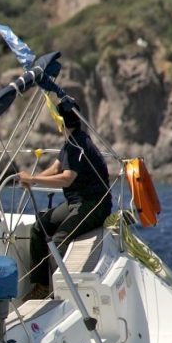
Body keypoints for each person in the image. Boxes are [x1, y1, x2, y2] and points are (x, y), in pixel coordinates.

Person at [17, 97, 112, 298]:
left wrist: (32, 177)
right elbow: (56, 167)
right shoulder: (71, 140)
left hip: (94, 204)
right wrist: (34, 181)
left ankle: (60, 293)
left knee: (59, 241)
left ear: (59, 122)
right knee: (39, 228)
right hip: (74, 202)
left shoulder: (78, 143)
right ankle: (42, 285)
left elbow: (67, 179)